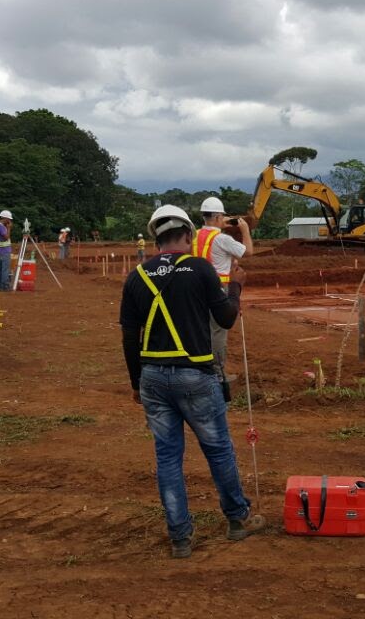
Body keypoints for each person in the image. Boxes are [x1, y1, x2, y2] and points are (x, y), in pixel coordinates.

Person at [119, 205, 266, 558]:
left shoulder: (137, 275)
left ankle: (180, 538)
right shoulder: (198, 267)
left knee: (168, 457)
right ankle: (236, 520)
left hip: (153, 377)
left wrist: (137, 384)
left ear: (155, 238)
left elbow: (128, 336)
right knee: (218, 450)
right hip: (195, 375)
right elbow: (226, 319)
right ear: (187, 235)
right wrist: (237, 288)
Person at [192, 196, 254, 384]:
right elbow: (248, 251)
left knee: (202, 329)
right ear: (219, 217)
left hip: (196, 289)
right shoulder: (222, 239)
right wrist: (244, 229)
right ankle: (217, 374)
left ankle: (200, 368)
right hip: (218, 289)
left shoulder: (195, 235)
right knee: (218, 331)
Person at [0, 210, 13, 291]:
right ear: (4, 218)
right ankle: (5, 287)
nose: (9, 221)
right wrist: (9, 228)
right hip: (5, 251)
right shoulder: (1, 226)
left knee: (1, 270)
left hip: (1, 251)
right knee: (5, 270)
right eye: (9, 219)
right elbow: (6, 237)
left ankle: (1, 287)